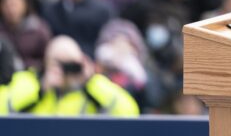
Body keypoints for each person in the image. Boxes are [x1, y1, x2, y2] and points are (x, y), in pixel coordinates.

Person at [0, 35, 138, 116]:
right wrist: (40, 90)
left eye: (70, 64)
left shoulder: (93, 88)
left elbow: (130, 111)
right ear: (46, 62)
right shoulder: (28, 81)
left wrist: (91, 82)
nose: (65, 70)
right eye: (58, 63)